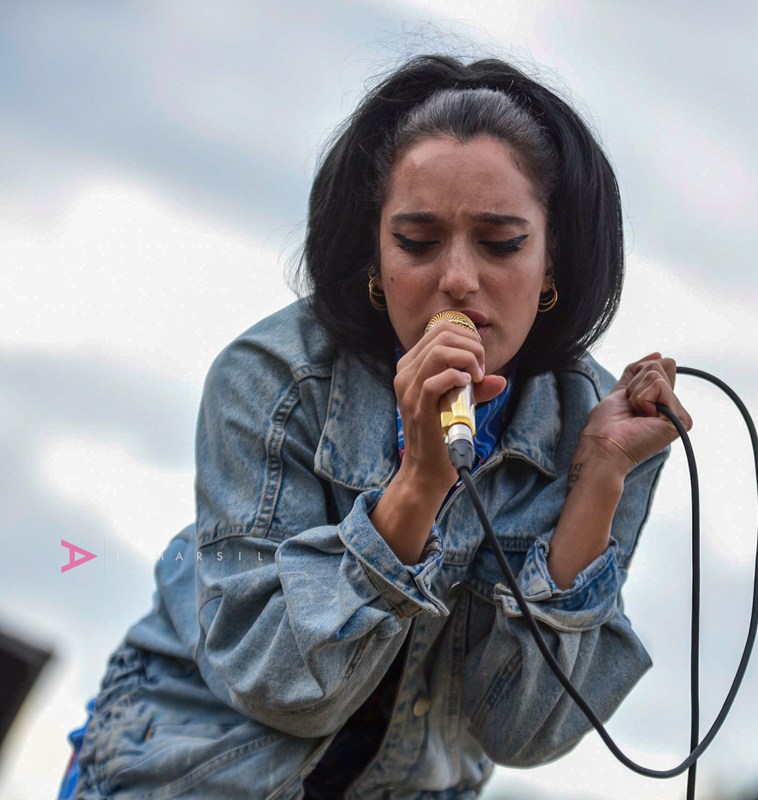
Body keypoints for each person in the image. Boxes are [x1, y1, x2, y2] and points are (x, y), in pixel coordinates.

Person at [58, 53, 691, 799]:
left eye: (502, 243)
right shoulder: (272, 380)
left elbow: (524, 732)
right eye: (418, 242)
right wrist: (420, 482)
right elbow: (282, 687)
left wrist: (598, 480)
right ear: (373, 256)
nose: (458, 276)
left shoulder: (596, 424)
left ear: (553, 261)